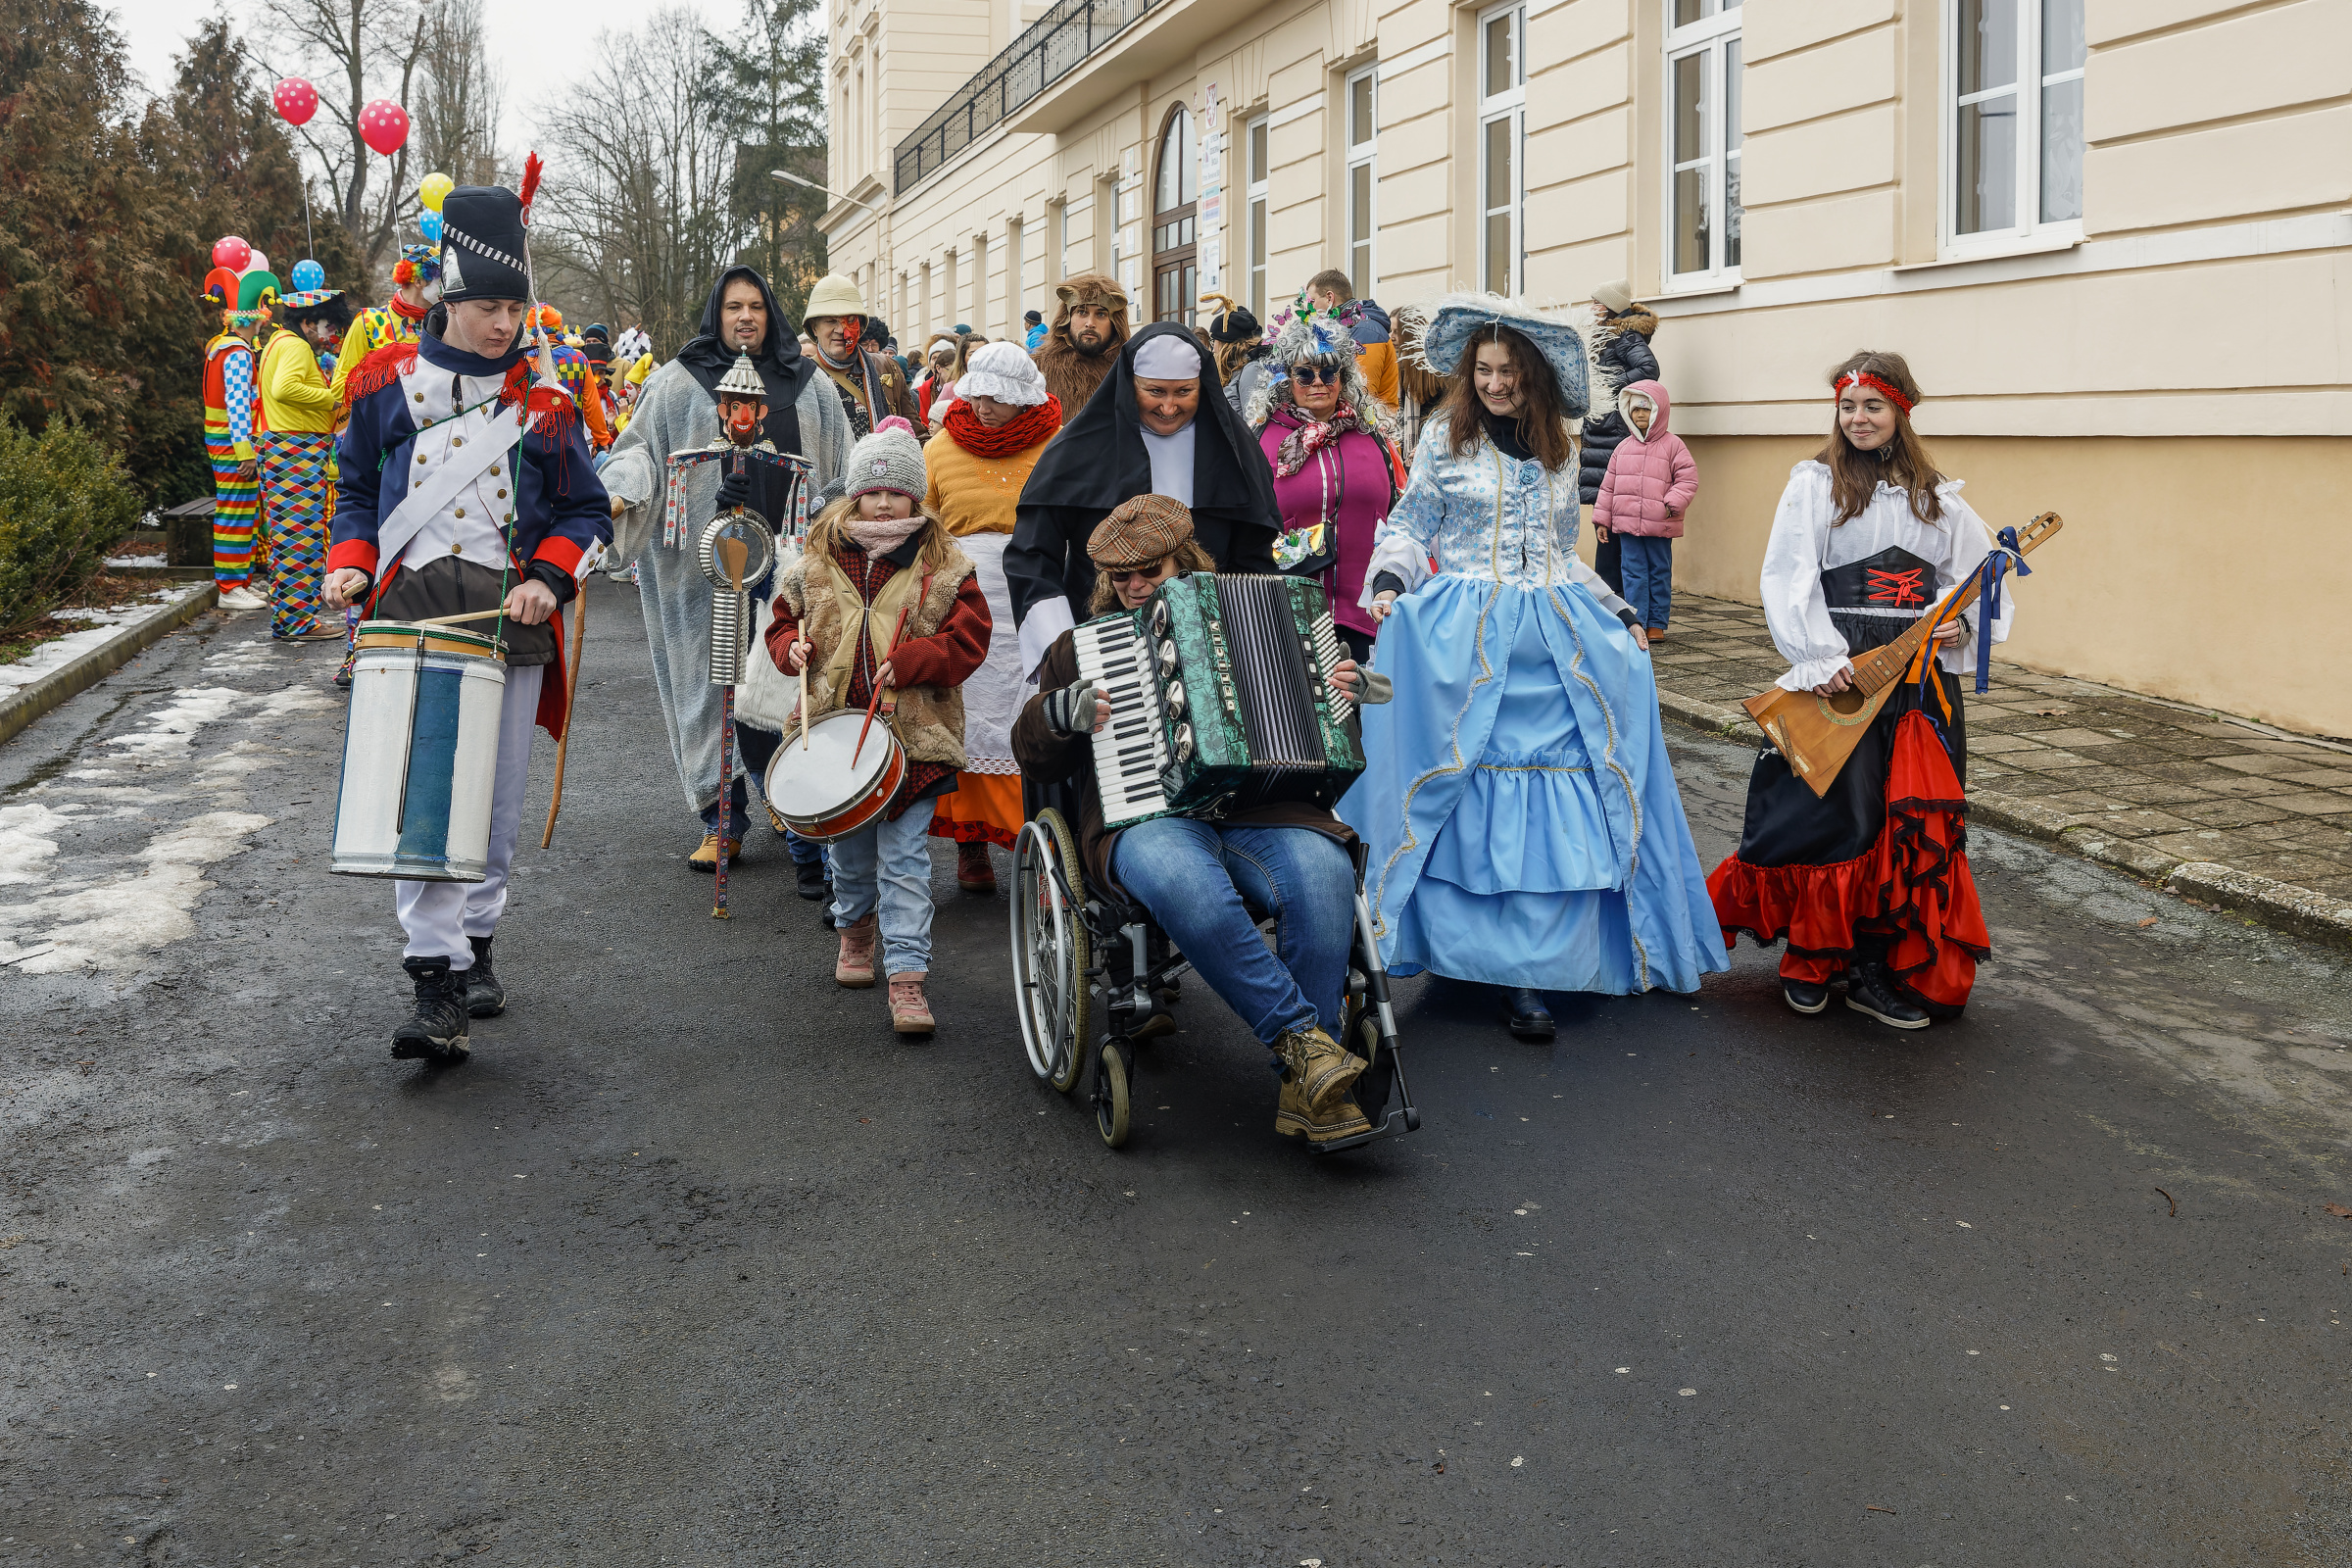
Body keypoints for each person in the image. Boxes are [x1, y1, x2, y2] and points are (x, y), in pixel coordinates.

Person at [1342, 292, 1727, 1041]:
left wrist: (1619, 611)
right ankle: (1479, 960)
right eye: (1483, 370)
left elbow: (1559, 557)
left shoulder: (1559, 449)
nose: (1494, 383)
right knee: (1463, 793)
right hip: (1463, 644)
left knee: (1562, 798)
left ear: (1534, 376)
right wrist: (1389, 581)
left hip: (1554, 645)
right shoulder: (1444, 440)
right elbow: (1410, 527)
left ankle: (1538, 965)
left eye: (1508, 371)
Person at [321, 181, 612, 1061]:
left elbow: (585, 511)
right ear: (449, 299)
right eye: (490, 307)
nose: (505, 324)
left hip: (505, 618)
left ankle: (477, 941)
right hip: (409, 612)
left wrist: (549, 581)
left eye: (516, 308)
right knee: (419, 794)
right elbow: (357, 490)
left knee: (492, 798)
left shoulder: (546, 401)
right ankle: (434, 978)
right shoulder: (385, 384)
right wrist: (351, 560)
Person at [1011, 496, 1376, 1144]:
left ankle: (1307, 1086)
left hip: (1267, 808)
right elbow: (1031, 752)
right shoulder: (1081, 649)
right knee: (1190, 887)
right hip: (1148, 817)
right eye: (1121, 576)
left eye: (1150, 571)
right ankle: (1308, 1050)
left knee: (1325, 877)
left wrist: (1342, 695)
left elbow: (1324, 735)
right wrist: (1056, 715)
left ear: (1185, 560)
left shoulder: (1265, 616)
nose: (1134, 586)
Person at [1707, 353, 2007, 1030]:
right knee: (1831, 817)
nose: (1858, 419)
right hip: (1843, 669)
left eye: (1873, 406)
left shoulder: (1939, 497)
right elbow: (1789, 574)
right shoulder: (1815, 485)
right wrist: (1819, 656)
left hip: (1917, 679)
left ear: (1902, 412)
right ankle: (1811, 960)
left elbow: (1973, 576)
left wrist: (1959, 624)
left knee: (1900, 822)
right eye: (1848, 407)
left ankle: (1874, 966)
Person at [601, 265, 852, 869]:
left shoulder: (810, 384)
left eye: (756, 306)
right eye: (734, 306)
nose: (745, 317)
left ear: (772, 315)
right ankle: (723, 818)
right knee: (709, 689)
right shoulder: (677, 382)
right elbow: (637, 451)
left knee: (784, 679)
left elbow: (843, 462)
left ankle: (790, 798)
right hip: (702, 570)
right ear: (717, 313)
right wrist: (618, 494)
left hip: (792, 567)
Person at [766, 418, 992, 1036]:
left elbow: (971, 639)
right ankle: (856, 933)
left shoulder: (945, 565)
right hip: (834, 738)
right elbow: (783, 621)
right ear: (855, 494)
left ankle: (908, 977)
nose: (885, 503)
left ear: (916, 497)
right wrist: (789, 648)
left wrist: (920, 658)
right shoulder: (816, 560)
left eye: (897, 492)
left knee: (906, 861)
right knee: (849, 857)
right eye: (873, 491)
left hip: (916, 741)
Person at [1005, 322, 1280, 674]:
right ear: (1130, 384)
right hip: (1099, 644)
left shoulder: (1235, 453)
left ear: (1202, 386)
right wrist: (1060, 647)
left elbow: (1254, 560)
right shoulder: (1077, 449)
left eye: (1184, 392)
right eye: (1155, 391)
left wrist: (1248, 648)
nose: (1168, 407)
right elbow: (1032, 554)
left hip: (1210, 649)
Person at [919, 341, 1063, 890]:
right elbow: (926, 520)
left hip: (1033, 598)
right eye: (976, 394)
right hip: (962, 600)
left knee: (1034, 714)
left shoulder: (1056, 444)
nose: (983, 407)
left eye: (996, 398)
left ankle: (1045, 850)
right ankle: (971, 844)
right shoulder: (940, 447)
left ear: (1023, 398)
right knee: (967, 716)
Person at [1248, 295, 1404, 663]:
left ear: (1343, 376)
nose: (1318, 382)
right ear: (1287, 379)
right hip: (1287, 619)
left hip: (1367, 615)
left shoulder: (1371, 436)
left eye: (1329, 372)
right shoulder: (1261, 440)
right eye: (1305, 373)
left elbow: (1397, 518)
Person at [253, 287, 353, 642]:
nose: (329, 335)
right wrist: (331, 399)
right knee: (300, 540)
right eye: (327, 326)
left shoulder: (278, 342)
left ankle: (290, 620)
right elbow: (284, 389)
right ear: (308, 322)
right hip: (295, 451)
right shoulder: (294, 345)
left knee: (288, 539)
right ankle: (299, 623)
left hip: (286, 449)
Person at [1574, 280, 1662, 596]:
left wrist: (1611, 385)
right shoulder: (1605, 336)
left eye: (1597, 303)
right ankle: (1611, 592)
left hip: (1614, 435)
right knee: (1607, 516)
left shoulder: (1625, 336)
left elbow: (1649, 368)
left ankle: (1615, 594)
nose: (1592, 308)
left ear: (1611, 307)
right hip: (1602, 433)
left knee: (1613, 515)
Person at [1592, 379, 1694, 643]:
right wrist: (1603, 520)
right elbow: (1608, 486)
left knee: (1659, 571)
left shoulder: (1674, 445)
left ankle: (1657, 623)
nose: (1640, 414)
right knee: (1632, 573)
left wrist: (1673, 502)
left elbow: (1687, 479)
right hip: (1627, 526)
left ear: (1659, 411)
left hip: (1659, 523)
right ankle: (1637, 621)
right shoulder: (1623, 448)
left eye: (1646, 409)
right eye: (1635, 409)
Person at [200, 272, 269, 611]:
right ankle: (229, 587)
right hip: (232, 443)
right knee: (236, 512)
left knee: (242, 510)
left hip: (223, 439)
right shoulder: (238, 353)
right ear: (253, 318)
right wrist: (246, 452)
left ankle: (238, 581)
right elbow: (238, 405)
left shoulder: (220, 346)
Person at [804, 272, 924, 439]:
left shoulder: (887, 368)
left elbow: (915, 434)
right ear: (814, 327)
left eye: (850, 321)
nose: (841, 330)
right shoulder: (803, 378)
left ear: (860, 326)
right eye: (831, 321)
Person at [330, 244, 438, 408]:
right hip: (385, 421)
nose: (446, 290)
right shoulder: (369, 323)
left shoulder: (445, 323)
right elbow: (341, 388)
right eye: (441, 282)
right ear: (419, 281)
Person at [1030, 273, 1131, 415]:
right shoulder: (1036, 371)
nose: (1090, 323)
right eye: (1082, 312)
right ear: (1067, 318)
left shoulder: (1129, 372)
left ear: (1115, 324)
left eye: (1101, 314)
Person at [1302, 270, 1398, 411]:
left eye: (1312, 301)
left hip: (1374, 419)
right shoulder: (1349, 328)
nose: (1310, 309)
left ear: (1329, 297)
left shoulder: (1364, 331)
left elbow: (1362, 392)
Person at [523, 306, 613, 451]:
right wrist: (601, 439)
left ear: (531, 329)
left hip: (533, 444)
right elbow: (592, 406)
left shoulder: (524, 362)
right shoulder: (579, 358)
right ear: (558, 326)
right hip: (572, 442)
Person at [1200, 292, 1272, 416]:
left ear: (1224, 344)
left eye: (1214, 341)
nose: (1213, 349)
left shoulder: (1251, 370)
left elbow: (1254, 422)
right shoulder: (1233, 370)